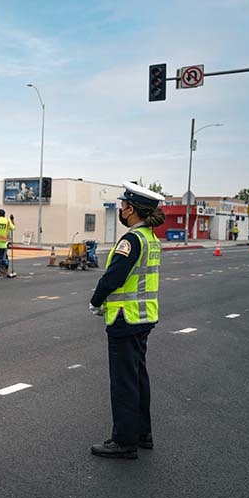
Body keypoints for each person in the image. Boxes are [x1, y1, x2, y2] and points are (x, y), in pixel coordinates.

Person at [89, 181, 165, 460]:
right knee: (138, 377)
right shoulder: (151, 238)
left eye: (123, 205)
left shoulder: (131, 240)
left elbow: (114, 276)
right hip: (144, 318)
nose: (120, 210)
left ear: (131, 209)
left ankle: (124, 441)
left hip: (125, 319)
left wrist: (96, 301)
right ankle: (143, 434)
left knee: (123, 382)